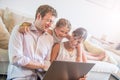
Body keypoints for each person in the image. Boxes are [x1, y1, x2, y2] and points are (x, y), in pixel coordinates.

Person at [7, 4, 57, 80]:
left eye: (52, 22)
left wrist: (43, 65)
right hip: (20, 76)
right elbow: (15, 58)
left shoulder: (49, 38)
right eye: (49, 20)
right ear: (39, 16)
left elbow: (47, 62)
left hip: (39, 77)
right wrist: (41, 65)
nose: (50, 25)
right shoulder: (20, 29)